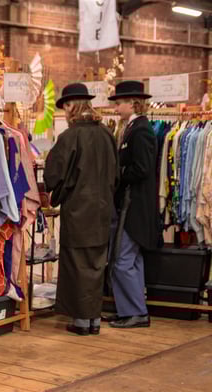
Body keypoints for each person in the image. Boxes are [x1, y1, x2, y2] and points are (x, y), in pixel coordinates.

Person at [44, 83, 118, 336]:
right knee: (96, 265)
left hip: (78, 210)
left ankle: (81, 321)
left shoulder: (70, 136)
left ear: (71, 106)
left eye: (65, 106)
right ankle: (93, 319)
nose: (65, 111)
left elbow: (54, 174)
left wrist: (53, 192)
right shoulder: (106, 134)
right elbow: (116, 173)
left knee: (76, 265)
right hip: (102, 209)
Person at [107, 80, 157, 329]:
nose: (116, 109)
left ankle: (134, 311)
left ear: (132, 103)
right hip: (132, 205)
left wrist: (118, 174)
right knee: (132, 260)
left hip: (134, 206)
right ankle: (133, 311)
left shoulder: (141, 131)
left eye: (119, 103)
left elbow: (142, 168)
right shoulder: (133, 129)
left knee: (122, 260)